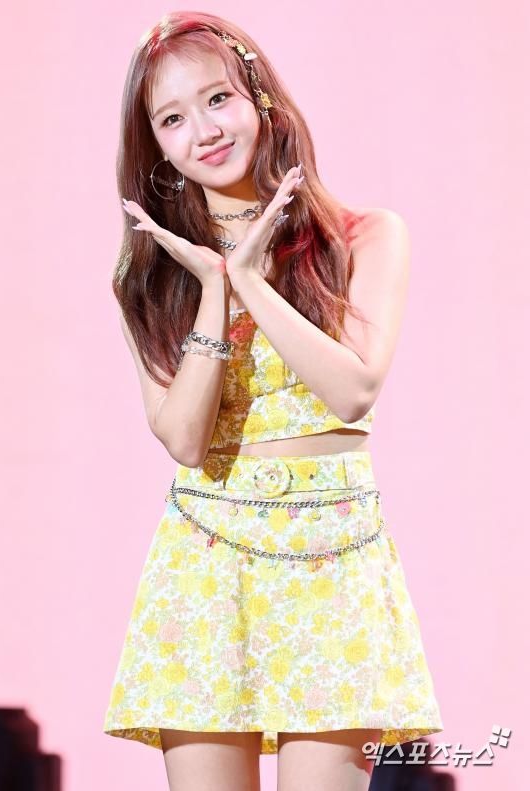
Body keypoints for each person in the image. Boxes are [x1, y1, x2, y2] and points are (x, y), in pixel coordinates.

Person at [103, 11, 443, 791]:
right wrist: (215, 289)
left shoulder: (364, 235)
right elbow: (185, 439)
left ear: (259, 98)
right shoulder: (147, 277)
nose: (204, 131)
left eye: (217, 99)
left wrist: (252, 279)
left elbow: (353, 389)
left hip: (334, 551)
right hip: (206, 556)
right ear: (156, 149)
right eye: (172, 119)